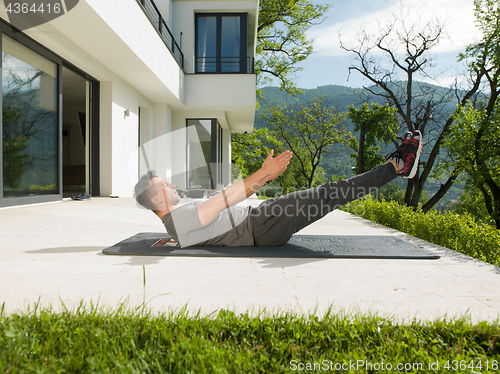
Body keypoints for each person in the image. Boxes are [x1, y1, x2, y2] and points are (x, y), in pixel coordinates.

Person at [134, 131, 423, 248]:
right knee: (331, 193)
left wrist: (265, 177)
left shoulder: (180, 216)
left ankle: (395, 166)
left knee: (330, 193)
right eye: (164, 184)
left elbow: (235, 197)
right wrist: (262, 173)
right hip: (260, 226)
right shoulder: (179, 219)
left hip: (260, 219)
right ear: (157, 197)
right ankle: (398, 166)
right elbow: (222, 201)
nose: (170, 183)